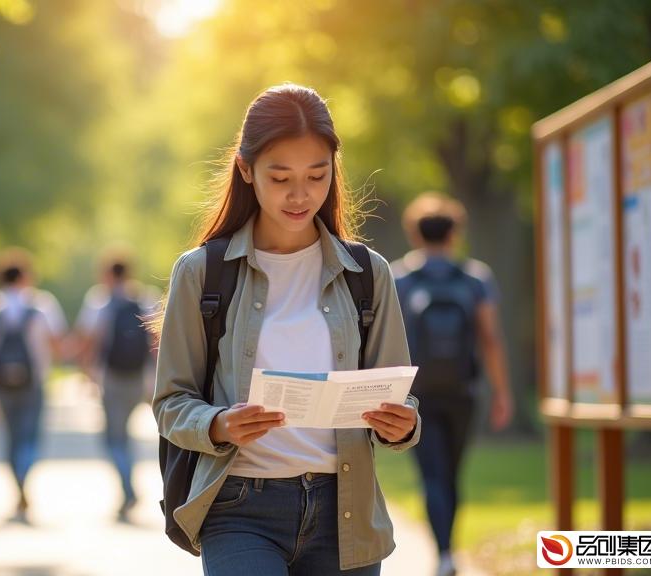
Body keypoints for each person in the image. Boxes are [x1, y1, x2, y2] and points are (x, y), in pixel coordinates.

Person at [152, 84, 421, 576]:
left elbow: (397, 394)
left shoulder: (368, 273)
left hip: (346, 512)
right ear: (246, 169)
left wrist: (403, 424)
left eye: (317, 176)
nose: (301, 196)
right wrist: (218, 424)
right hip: (240, 509)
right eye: (281, 178)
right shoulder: (202, 272)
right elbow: (170, 401)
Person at [390, 192, 513, 576]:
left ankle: (443, 554)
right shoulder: (475, 278)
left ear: (414, 233)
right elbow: (490, 339)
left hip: (417, 393)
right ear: (454, 233)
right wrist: (501, 392)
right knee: (452, 472)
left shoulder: (399, 278)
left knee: (432, 474)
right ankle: (448, 551)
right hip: (464, 391)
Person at [75, 251, 160, 522]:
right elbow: (157, 342)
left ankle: (127, 489)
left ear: (108, 274)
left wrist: (87, 373)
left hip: (111, 378)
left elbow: (89, 339)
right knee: (128, 434)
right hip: (140, 377)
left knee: (115, 438)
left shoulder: (100, 301)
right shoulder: (146, 299)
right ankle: (129, 487)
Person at [0, 248, 67, 523]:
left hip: (1, 383)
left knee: (9, 435)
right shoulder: (41, 304)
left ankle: (17, 485)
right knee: (29, 435)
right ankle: (23, 477)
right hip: (34, 380)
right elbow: (56, 342)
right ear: (25, 275)